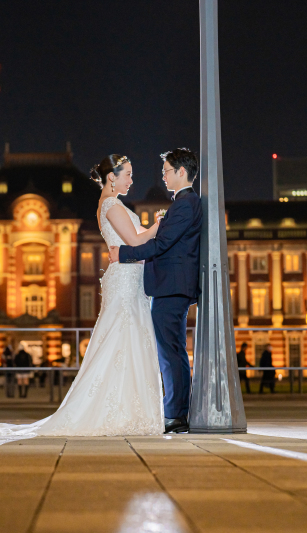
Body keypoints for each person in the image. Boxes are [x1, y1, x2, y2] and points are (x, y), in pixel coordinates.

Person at [0, 153, 167, 437]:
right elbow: (135, 241)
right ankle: (121, 411)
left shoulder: (112, 205)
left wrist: (151, 229)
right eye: (128, 174)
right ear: (112, 177)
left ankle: (126, 410)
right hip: (125, 280)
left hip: (129, 278)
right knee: (123, 341)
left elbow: (133, 240)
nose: (132, 180)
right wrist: (159, 226)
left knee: (126, 342)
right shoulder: (111, 205)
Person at [110, 148, 202, 434]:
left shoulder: (186, 204)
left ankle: (176, 415)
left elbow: (161, 245)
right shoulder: (184, 203)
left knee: (170, 352)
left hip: (172, 286)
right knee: (171, 350)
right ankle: (175, 412)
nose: (162, 176)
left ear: (181, 172)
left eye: (166, 170)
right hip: (172, 286)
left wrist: (123, 254)